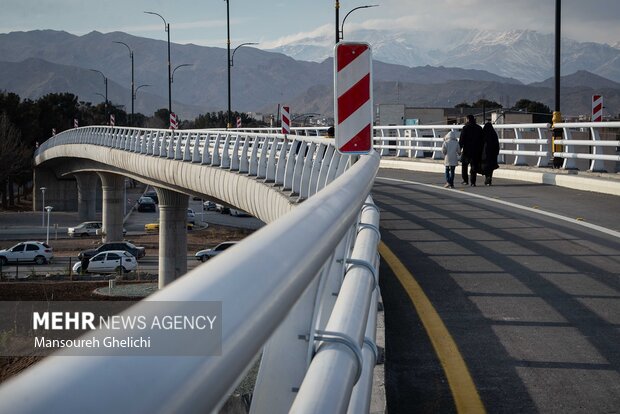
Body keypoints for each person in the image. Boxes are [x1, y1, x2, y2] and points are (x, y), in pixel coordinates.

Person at [459, 114, 484, 186]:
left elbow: (461, 140)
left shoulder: (465, 128)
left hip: (467, 150)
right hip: (476, 150)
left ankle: (465, 180)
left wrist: (459, 148)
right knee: (474, 166)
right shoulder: (479, 128)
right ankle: (473, 182)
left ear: (468, 119)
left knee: (464, 165)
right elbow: (482, 140)